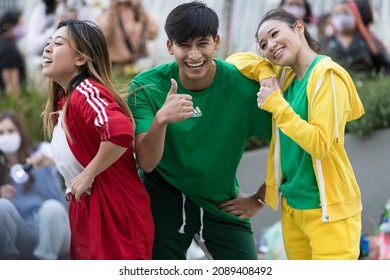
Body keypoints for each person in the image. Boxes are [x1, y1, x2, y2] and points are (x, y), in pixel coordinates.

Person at [127, 1, 274, 260]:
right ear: (170, 46)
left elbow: (292, 144)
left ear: (216, 42)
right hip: (161, 201)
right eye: (184, 45)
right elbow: (147, 163)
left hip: (219, 202)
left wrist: (260, 199)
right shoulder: (146, 86)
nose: (194, 55)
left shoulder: (243, 88)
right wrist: (161, 120)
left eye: (202, 44)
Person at [225, 8, 365, 260]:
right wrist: (265, 72)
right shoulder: (285, 78)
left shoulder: (327, 76)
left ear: (299, 28)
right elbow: (234, 61)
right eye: (263, 44)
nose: (270, 46)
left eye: (275, 34)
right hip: (292, 211)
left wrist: (277, 104)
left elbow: (320, 144)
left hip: (329, 214)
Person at [41, 19, 154, 259]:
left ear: (81, 59)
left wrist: (87, 175)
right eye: (49, 42)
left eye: (58, 43)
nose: (47, 48)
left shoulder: (86, 91)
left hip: (114, 215)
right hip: (89, 211)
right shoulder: (66, 100)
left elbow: (121, 130)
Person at [0, 109, 70, 260]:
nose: (6, 137)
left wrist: (49, 161)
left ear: (20, 131)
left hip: (54, 229)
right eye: (1, 133)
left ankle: (44, 263)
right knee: (2, 206)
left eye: (10, 131)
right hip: (23, 234)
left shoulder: (41, 150)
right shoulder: (2, 166)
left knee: (52, 207)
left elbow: (69, 162)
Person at [321, 0, 390, 79]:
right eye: (337, 14)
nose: (341, 17)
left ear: (356, 16)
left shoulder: (369, 41)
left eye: (346, 13)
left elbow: (385, 67)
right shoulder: (326, 42)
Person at [96, 0, 159, 76]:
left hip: (138, 65)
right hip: (116, 67)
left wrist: (139, 8)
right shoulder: (106, 14)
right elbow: (105, 36)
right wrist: (113, 9)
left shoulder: (138, 13)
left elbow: (153, 34)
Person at [0, 11, 26, 97]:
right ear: (11, 26)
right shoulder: (8, 48)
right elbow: (11, 83)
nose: (22, 27)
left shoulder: (4, 44)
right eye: (20, 24)